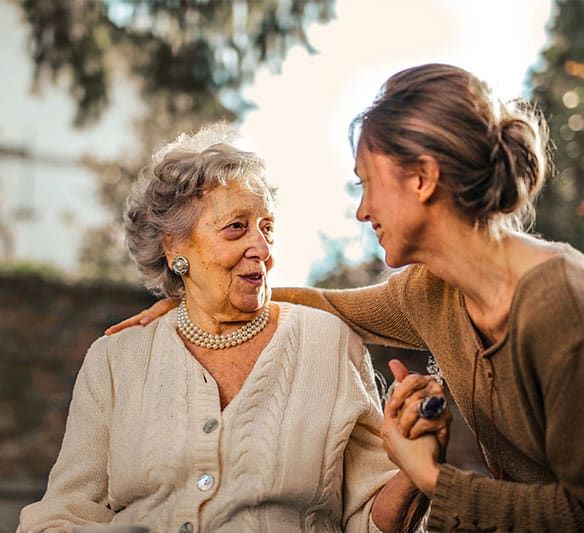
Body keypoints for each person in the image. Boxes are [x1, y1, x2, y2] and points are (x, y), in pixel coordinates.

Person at [109, 64, 584, 531]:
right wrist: (201, 297)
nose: (362, 211)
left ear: (422, 178)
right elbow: (331, 306)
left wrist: (430, 477)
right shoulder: (431, 293)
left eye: (367, 183)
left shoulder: (559, 303)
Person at [18, 124, 447, 533]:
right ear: (174, 247)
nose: (261, 249)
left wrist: (414, 470)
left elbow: (372, 521)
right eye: (236, 228)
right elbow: (64, 513)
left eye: (268, 229)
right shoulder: (116, 359)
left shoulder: (330, 344)